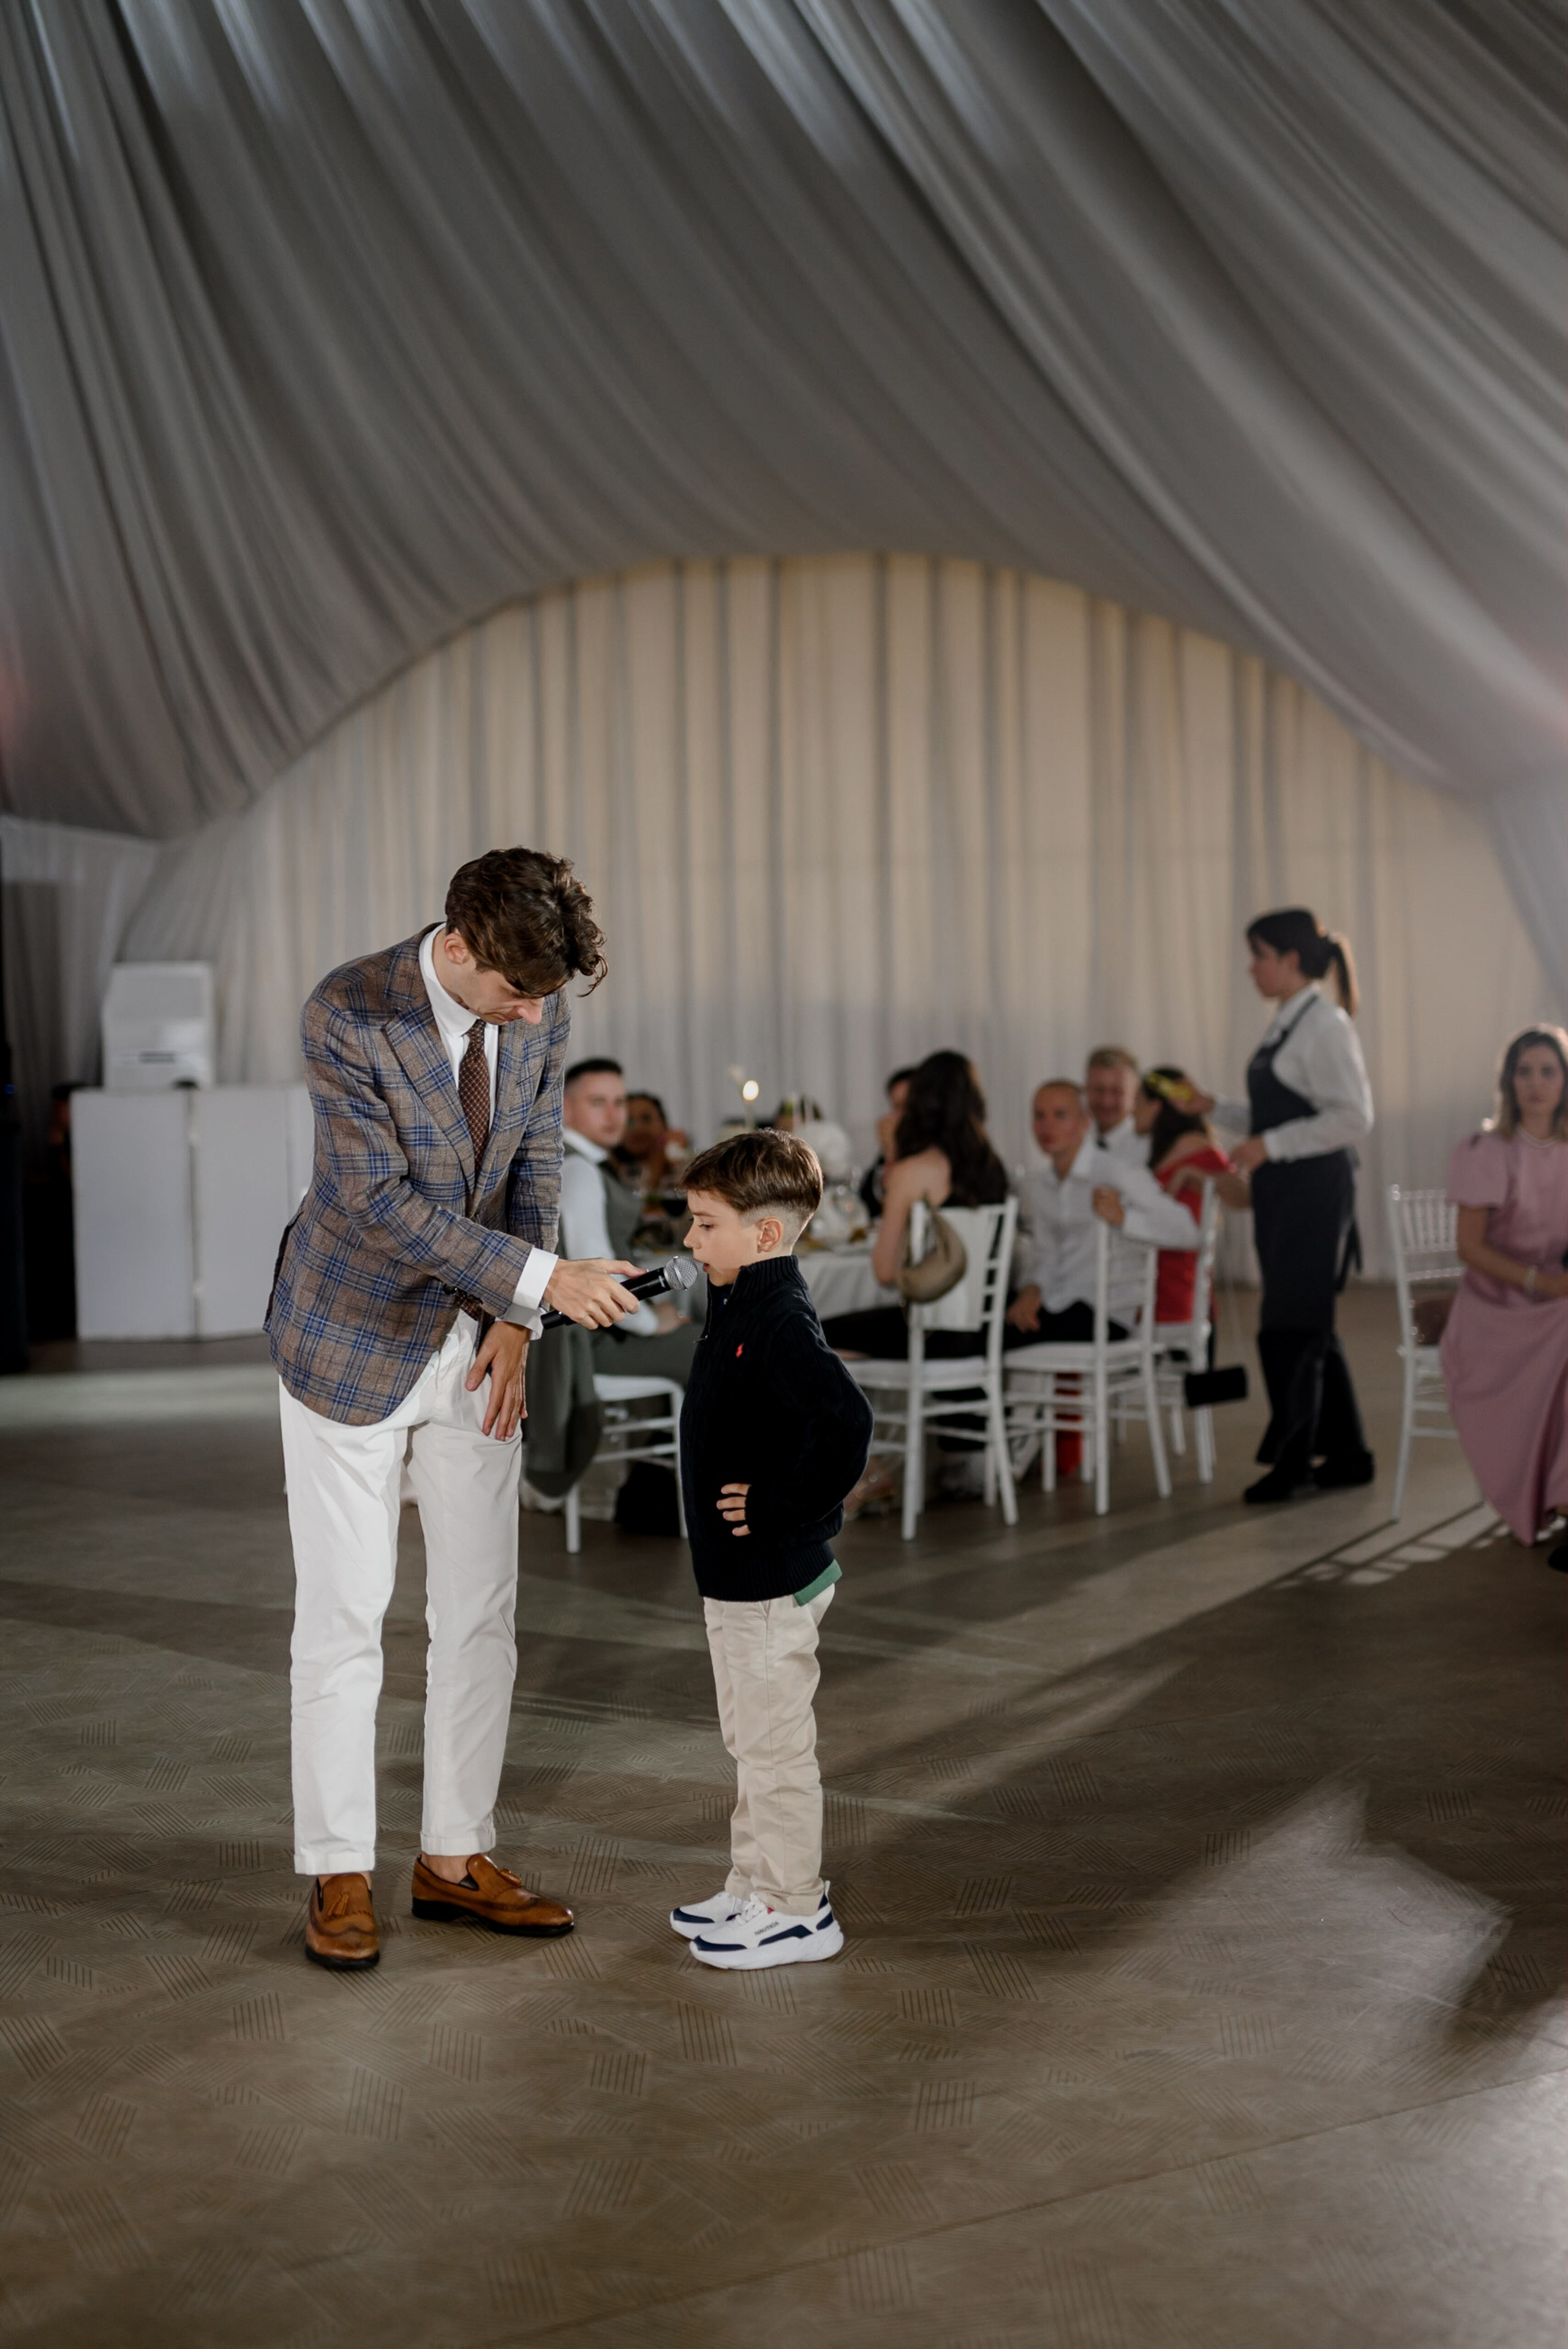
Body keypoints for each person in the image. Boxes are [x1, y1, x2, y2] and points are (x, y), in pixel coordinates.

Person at [268, 849, 644, 1971]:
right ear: (461, 944)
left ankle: (453, 1854)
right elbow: (373, 1200)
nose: (534, 1014)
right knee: (348, 1615)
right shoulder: (348, 1008)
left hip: (480, 1342)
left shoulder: (533, 1007)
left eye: (548, 997)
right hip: (347, 1337)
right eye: (518, 991)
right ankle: (339, 1867)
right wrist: (542, 1283)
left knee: (481, 1612)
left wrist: (519, 1324)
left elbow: (533, 1159)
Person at [668, 1130, 873, 1970]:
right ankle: (754, 1878)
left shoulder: (779, 1319)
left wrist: (779, 1507)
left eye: (704, 1223)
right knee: (751, 1739)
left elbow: (847, 1425)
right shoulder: (736, 1301)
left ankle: (794, 1907)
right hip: (734, 1580)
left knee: (776, 1745)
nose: (690, 1239)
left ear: (763, 1234)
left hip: (768, 1578)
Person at [1189, 906, 1374, 1504]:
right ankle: (1349, 1456)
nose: (1251, 969)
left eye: (1259, 956)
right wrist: (1212, 1107)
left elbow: (1352, 1117)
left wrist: (1269, 1145)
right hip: (1287, 1194)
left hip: (1315, 1197)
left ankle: (1294, 1464)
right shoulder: (1288, 1024)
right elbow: (1281, 1116)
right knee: (1310, 1325)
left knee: (1290, 1330)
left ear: (1290, 960)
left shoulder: (1325, 1026)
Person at [1440, 1027, 1568, 1567]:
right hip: (1498, 1311)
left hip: (1559, 1302)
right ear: (1508, 1082)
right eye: (1525, 1072)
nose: (1536, 1084)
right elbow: (1468, 1248)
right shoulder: (1488, 1150)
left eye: (1548, 1071)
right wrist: (1543, 1285)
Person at [821, 1051, 1009, 1361]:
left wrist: (895, 1153)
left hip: (931, 1334)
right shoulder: (991, 1166)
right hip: (984, 1331)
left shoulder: (914, 1172)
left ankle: (849, 1411)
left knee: (805, 1335)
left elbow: (884, 1272)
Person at [1008, 1081, 1199, 1343]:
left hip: (1105, 1313)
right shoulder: (1041, 1184)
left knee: (990, 1336)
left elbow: (1188, 1230)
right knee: (989, 1320)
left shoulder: (1115, 1171)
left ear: (1086, 1122)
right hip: (1057, 1304)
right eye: (1039, 1116)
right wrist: (1033, 1288)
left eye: (1060, 1115)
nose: (1046, 1126)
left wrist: (1125, 1218)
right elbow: (1046, 1255)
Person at [560, 1059, 699, 1384]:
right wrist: (650, 1323)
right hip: (594, 1341)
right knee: (723, 1349)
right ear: (565, 1109)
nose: (614, 1116)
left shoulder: (581, 1161)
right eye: (598, 1103)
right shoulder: (579, 1171)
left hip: (604, 1329)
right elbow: (596, 1276)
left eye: (619, 1103)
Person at [1131, 1066, 1246, 1329]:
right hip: (1154, 1279)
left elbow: (1243, 1196)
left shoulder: (1195, 1146)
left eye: (1137, 1102)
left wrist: (1191, 1174)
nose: (1132, 1111)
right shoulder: (1156, 1149)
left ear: (1156, 1106)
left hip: (1181, 1285)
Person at [858, 1065, 916, 1219]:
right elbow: (868, 1203)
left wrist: (892, 1151)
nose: (896, 1117)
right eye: (895, 1107)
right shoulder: (900, 1145)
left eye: (905, 1107)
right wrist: (889, 1151)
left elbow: (899, 1206)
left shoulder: (933, 1154)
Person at [617, 1088, 688, 1200]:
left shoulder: (683, 1167)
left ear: (664, 1124)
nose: (638, 1129)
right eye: (629, 1122)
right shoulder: (607, 1172)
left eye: (646, 1119)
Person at [1085, 1046, 1146, 1170]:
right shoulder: (1072, 1139)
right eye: (1099, 1090)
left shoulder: (1149, 1148)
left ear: (1136, 1094)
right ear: (1086, 1089)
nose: (1107, 1101)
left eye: (1117, 1091)